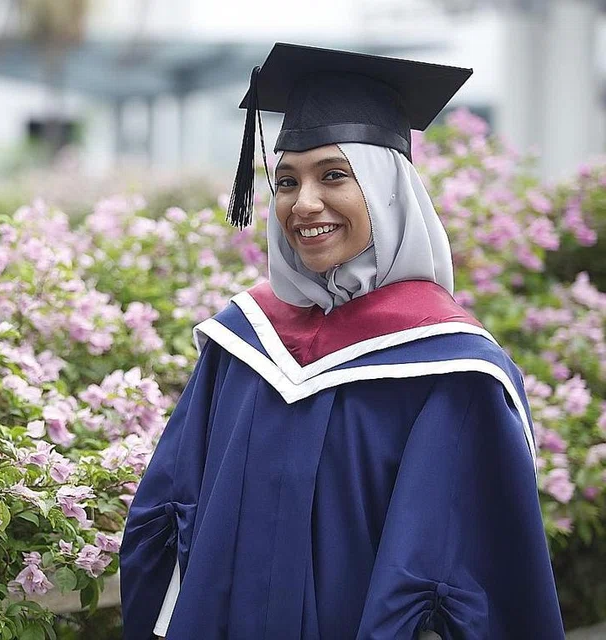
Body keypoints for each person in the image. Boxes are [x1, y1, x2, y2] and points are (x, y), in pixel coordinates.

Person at [119, 43, 565, 640]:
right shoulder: (245, 343)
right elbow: (168, 516)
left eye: (334, 175)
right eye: (286, 181)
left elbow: (463, 578)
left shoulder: (452, 370)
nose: (304, 204)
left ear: (386, 193)